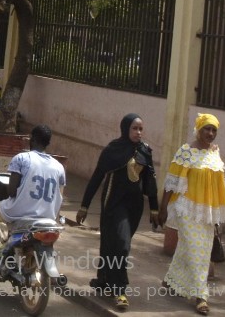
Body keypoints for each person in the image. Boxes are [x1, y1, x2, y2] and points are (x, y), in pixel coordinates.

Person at [76, 114, 159, 311]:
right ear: (125, 129)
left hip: (134, 207)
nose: (138, 132)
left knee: (115, 245)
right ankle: (119, 289)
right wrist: (84, 206)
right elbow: (97, 177)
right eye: (134, 128)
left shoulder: (145, 151)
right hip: (114, 204)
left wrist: (154, 208)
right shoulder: (113, 150)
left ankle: (104, 279)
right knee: (121, 245)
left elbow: (150, 181)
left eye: (140, 129)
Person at [158, 114, 225, 315]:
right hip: (187, 209)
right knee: (197, 250)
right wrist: (163, 208)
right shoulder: (186, 152)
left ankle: (171, 280)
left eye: (214, 130)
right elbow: (171, 181)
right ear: (198, 129)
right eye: (207, 129)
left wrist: (217, 213)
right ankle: (201, 295)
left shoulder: (215, 153)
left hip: (206, 212)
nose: (210, 133)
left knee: (195, 248)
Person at [0, 124, 66, 261]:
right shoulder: (59, 167)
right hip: (48, 217)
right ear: (48, 143)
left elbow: (12, 191)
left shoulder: (22, 158)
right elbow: (59, 197)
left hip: (20, 212)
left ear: (33, 139)